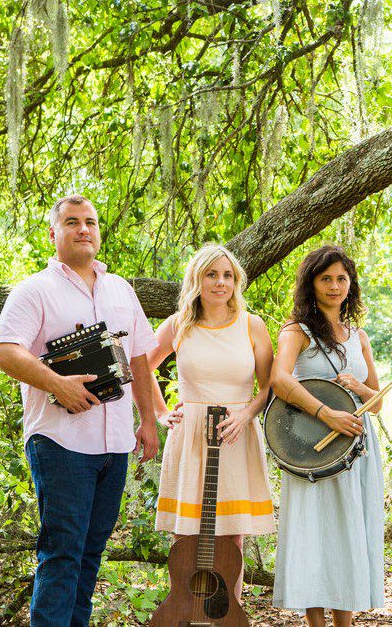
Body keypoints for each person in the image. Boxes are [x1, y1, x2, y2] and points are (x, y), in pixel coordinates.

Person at [0, 194, 158, 626]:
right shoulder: (34, 290)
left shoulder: (121, 289)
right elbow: (3, 350)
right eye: (72, 222)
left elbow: (139, 357)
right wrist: (57, 384)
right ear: (53, 233)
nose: (84, 229)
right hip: (60, 442)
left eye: (90, 222)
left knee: (89, 554)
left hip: (115, 443)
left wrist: (148, 421)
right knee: (62, 553)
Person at [147, 243, 276, 601]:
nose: (221, 283)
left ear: (236, 282)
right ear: (196, 279)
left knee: (231, 535)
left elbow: (269, 385)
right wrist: (160, 412)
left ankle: (229, 612)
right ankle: (185, 610)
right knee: (186, 534)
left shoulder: (252, 325)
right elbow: (141, 367)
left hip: (235, 434)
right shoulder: (178, 325)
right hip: (190, 435)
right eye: (212, 275)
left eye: (228, 276)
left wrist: (246, 414)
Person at [270, 245, 385, 627]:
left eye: (341, 279)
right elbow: (279, 380)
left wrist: (359, 388)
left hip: (356, 446)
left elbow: (377, 402)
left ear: (351, 284)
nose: (335, 286)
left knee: (348, 530)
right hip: (310, 446)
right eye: (326, 279)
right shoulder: (296, 331)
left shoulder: (358, 336)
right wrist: (326, 413)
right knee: (314, 533)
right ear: (311, 283)